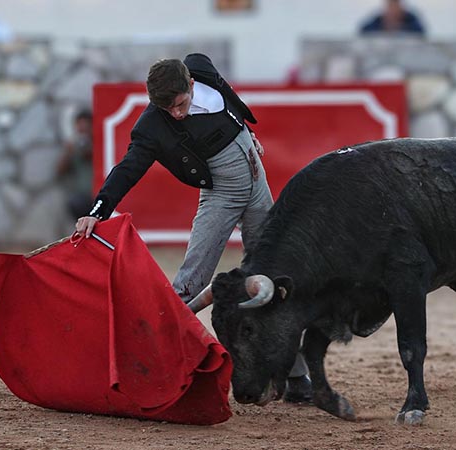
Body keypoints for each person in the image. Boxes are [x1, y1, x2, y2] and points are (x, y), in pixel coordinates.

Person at [74, 53, 311, 403]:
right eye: (167, 109)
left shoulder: (200, 66)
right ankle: (154, 366)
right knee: (191, 281)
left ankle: (297, 377)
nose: (176, 114)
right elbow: (128, 169)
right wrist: (98, 210)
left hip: (256, 180)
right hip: (221, 195)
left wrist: (246, 129)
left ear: (190, 83)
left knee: (273, 276)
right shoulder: (152, 126)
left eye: (181, 104)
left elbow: (230, 99)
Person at [57, 109, 94, 220]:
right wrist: (68, 152)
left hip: (98, 194)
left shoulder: (100, 143)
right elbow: (60, 171)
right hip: (82, 196)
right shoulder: (74, 147)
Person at [359, 0, 425, 36]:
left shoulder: (411, 20)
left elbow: (421, 33)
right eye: (390, 5)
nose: (393, 10)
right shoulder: (377, 21)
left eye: (395, 5)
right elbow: (363, 31)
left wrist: (399, 28)